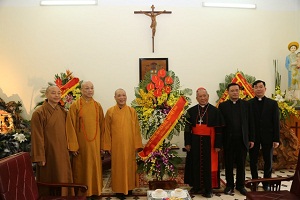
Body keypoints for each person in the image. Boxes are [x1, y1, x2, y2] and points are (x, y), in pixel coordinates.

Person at [31, 85, 73, 196]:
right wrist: (40, 156)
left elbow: (69, 132)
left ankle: (64, 197)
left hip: (62, 152)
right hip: (48, 153)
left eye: (59, 93)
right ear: (46, 95)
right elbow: (37, 136)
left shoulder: (63, 112)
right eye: (53, 93)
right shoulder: (39, 113)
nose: (57, 95)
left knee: (63, 177)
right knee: (49, 179)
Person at [66, 81, 105, 198]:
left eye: (92, 88)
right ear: (81, 90)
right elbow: (70, 126)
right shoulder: (75, 106)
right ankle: (82, 192)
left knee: (95, 167)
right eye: (87, 88)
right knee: (81, 169)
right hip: (81, 146)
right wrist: (73, 146)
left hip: (95, 144)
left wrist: (102, 145)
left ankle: (95, 191)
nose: (90, 90)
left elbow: (102, 127)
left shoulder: (98, 106)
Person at [184, 87, 224, 198]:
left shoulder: (215, 111)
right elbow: (187, 129)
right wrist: (187, 143)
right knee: (195, 163)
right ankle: (196, 186)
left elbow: (219, 130)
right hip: (195, 141)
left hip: (209, 142)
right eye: (200, 96)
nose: (203, 98)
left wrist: (217, 145)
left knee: (208, 165)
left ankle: (208, 188)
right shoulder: (191, 111)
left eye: (204, 96)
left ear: (208, 96)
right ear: (196, 98)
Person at [103, 88, 143, 199]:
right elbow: (106, 130)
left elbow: (136, 129)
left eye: (124, 95)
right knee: (118, 167)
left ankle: (129, 188)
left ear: (126, 96)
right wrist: (107, 146)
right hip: (116, 146)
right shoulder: (110, 111)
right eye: (119, 95)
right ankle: (119, 190)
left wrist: (137, 145)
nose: (122, 98)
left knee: (130, 167)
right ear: (115, 97)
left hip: (130, 145)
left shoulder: (132, 111)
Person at [218, 83, 255, 196]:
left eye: (236, 90)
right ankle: (229, 185)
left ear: (240, 91)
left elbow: (251, 123)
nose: (235, 92)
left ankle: (240, 185)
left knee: (241, 164)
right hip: (228, 140)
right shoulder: (223, 106)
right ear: (228, 92)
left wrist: (251, 139)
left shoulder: (246, 105)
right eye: (232, 90)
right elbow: (221, 125)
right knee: (228, 164)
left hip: (242, 140)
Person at [248, 80, 280, 191]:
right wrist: (249, 137)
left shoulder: (272, 103)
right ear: (253, 89)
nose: (258, 89)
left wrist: (276, 139)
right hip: (253, 137)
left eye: (261, 87)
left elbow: (276, 122)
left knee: (268, 160)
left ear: (265, 89)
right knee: (253, 160)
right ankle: (255, 181)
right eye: (256, 87)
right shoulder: (249, 103)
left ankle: (266, 182)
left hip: (268, 137)